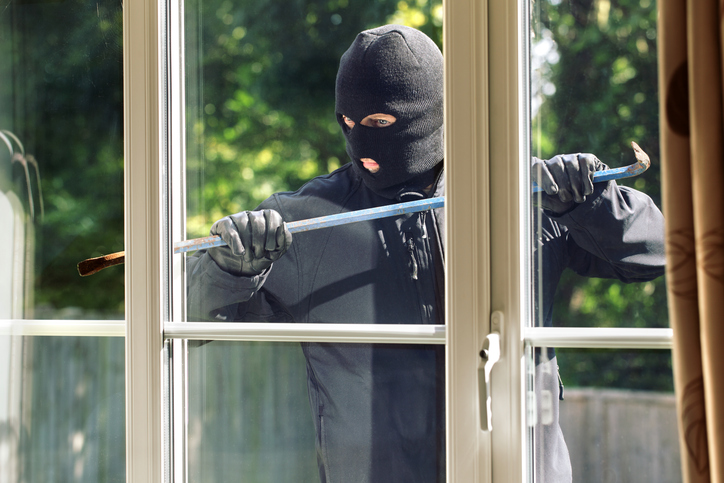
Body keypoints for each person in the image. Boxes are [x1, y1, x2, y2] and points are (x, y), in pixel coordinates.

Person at [187, 24, 665, 483]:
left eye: (379, 121)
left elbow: (658, 254)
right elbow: (181, 317)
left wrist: (595, 203)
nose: (361, 139)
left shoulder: (524, 193)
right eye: (348, 121)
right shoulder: (306, 221)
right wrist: (227, 268)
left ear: (430, 109)